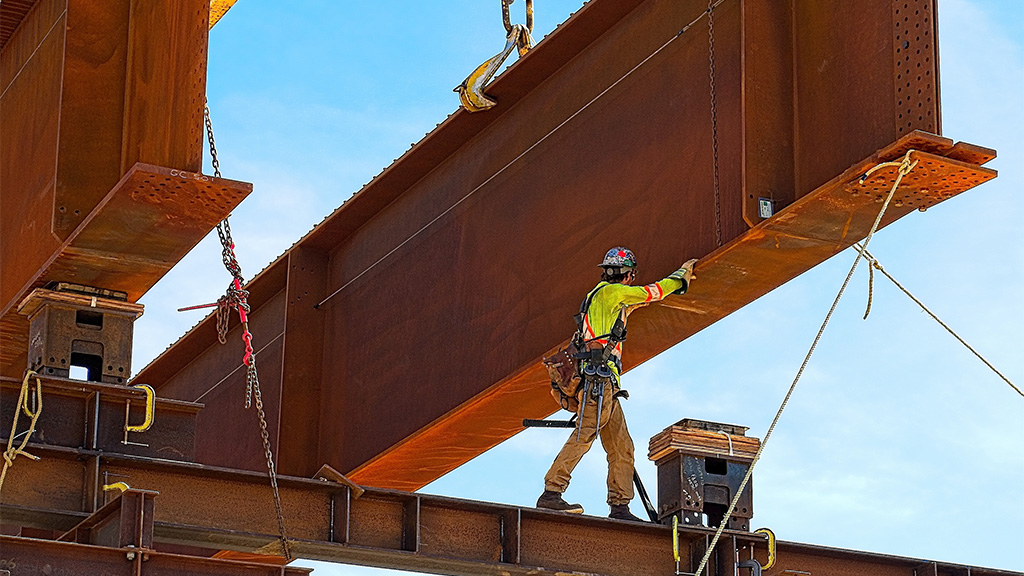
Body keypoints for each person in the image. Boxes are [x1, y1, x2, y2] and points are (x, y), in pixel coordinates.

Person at [536, 247, 698, 521]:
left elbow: (635, 304)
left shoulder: (601, 298)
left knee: (621, 446)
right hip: (599, 383)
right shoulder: (613, 293)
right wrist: (681, 276)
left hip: (605, 385)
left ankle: (620, 507)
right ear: (628, 275)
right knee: (584, 434)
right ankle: (552, 492)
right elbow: (652, 292)